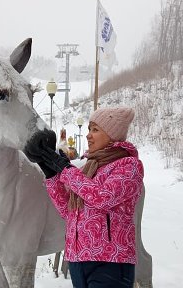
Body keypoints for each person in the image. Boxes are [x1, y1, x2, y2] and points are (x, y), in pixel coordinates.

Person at [24, 107, 144, 288]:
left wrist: (66, 170)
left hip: (110, 262)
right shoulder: (90, 168)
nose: (88, 135)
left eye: (95, 130)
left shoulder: (128, 166)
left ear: (112, 134)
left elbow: (102, 197)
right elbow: (69, 211)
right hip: (78, 260)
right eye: (88, 129)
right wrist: (52, 174)